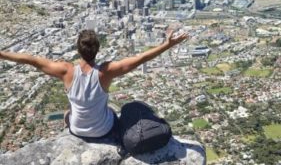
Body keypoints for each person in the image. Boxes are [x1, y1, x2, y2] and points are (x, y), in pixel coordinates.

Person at [0, 29, 188, 142]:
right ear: (98, 49)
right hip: (103, 130)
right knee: (116, 112)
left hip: (77, 129)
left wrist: (1, 54)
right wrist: (167, 45)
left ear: (78, 50)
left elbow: (31, 60)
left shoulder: (66, 71)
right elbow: (141, 59)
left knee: (67, 112)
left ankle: (71, 132)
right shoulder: (106, 71)